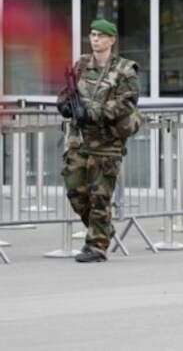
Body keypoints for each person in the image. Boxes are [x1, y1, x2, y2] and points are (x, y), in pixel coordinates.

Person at [56, 19, 141, 263]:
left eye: (101, 36)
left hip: (106, 144)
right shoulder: (82, 64)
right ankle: (103, 229)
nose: (95, 39)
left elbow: (127, 102)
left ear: (112, 40)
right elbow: (67, 93)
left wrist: (92, 113)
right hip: (79, 142)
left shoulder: (125, 69)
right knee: (75, 193)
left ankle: (97, 245)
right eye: (92, 34)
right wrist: (64, 106)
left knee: (99, 197)